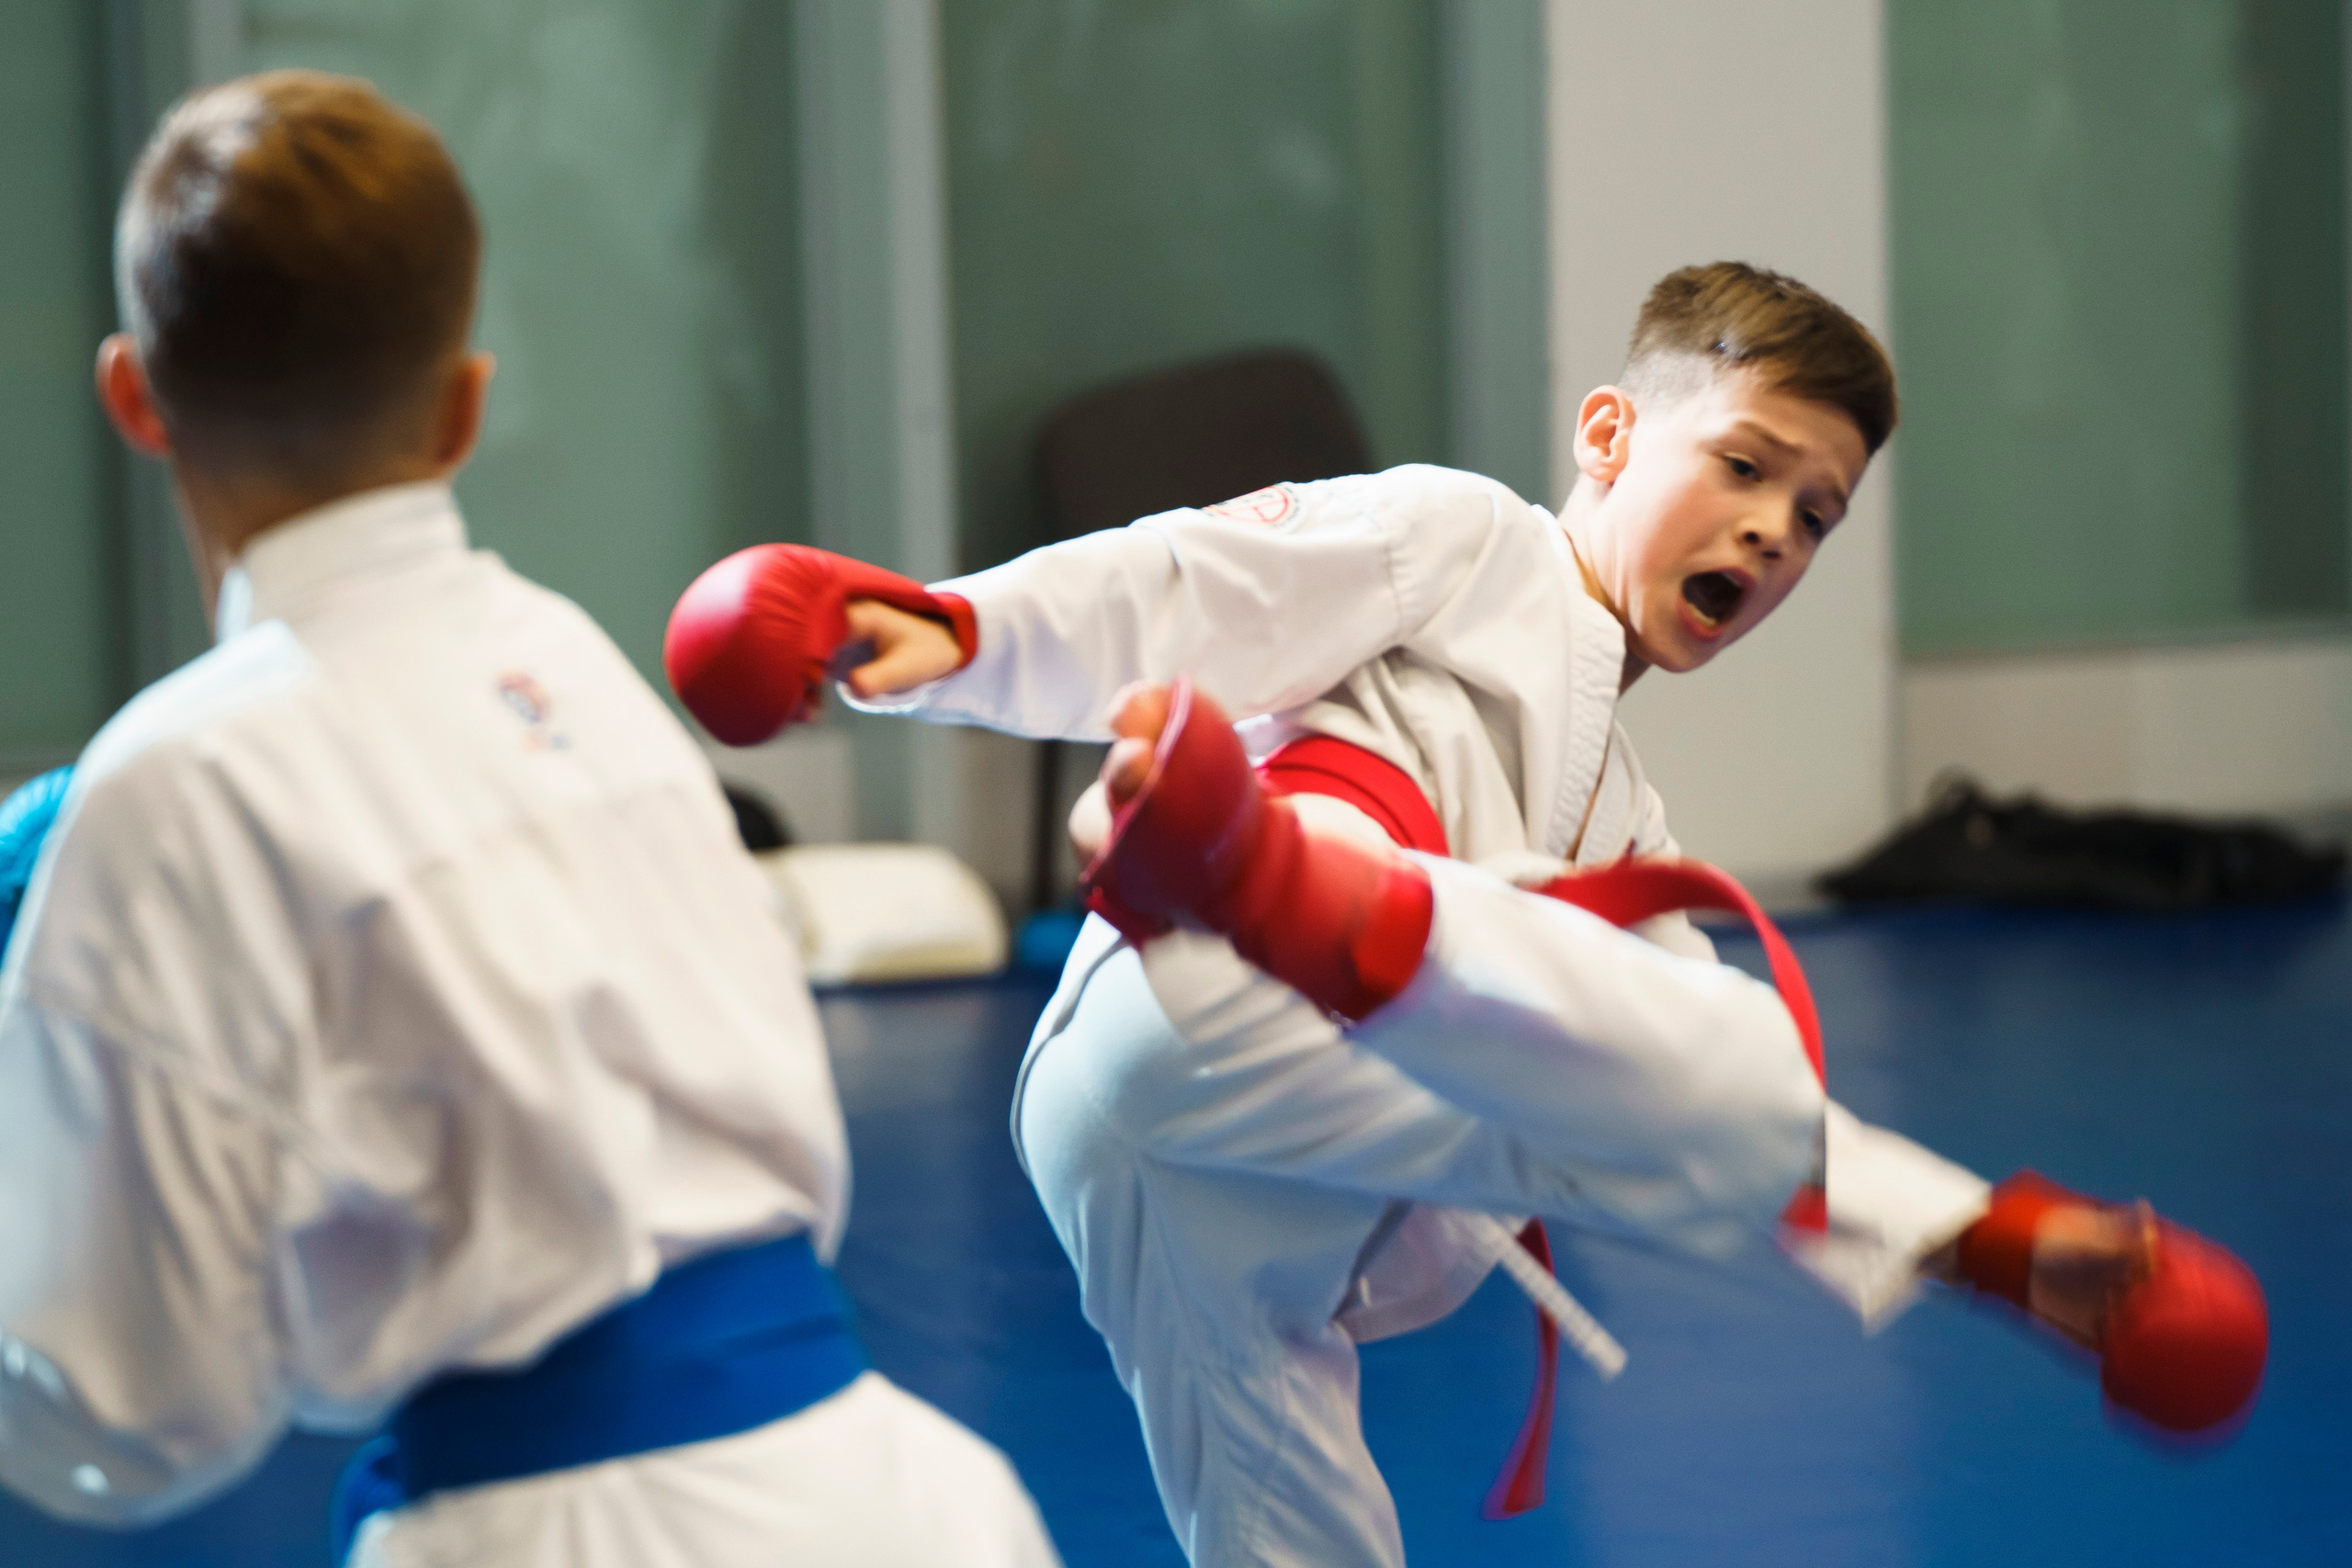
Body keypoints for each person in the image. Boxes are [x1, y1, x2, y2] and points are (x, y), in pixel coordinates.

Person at [662, 263, 2267, 1566]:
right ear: (1610, 435)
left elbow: (1699, 1110)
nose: (1777, 528)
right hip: (1197, 988)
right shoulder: (1469, 541)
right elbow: (1192, 585)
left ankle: (1288, 896)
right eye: (1746, 465)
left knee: (1305, 1519)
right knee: (1692, 1036)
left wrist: (1960, 1237)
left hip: (1223, 1162)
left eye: (1819, 514)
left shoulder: (1621, 820)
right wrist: (940, 628)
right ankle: (1269, 878)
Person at [0, 71, 1060, 1568]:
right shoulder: (573, 664)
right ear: (463, 408)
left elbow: (135, 1412)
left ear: (131, 397)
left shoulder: (167, 791)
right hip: (919, 1504)